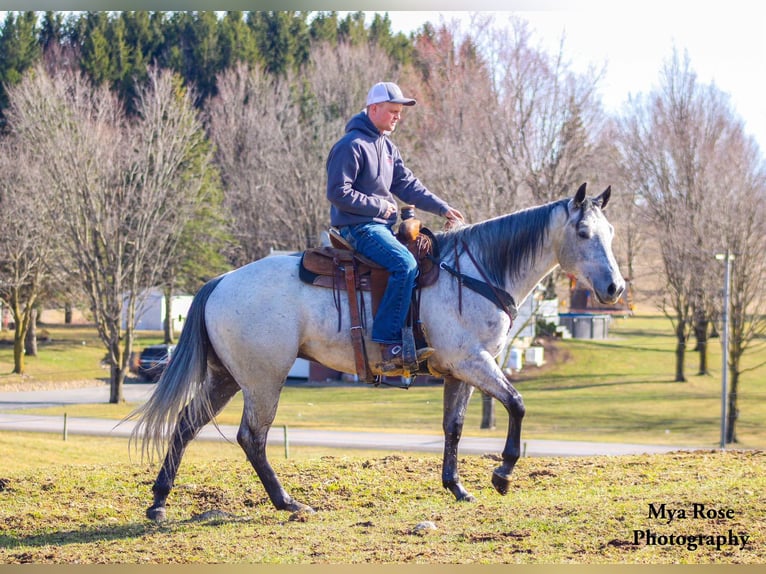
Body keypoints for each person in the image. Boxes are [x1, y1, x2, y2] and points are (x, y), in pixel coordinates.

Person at [326, 81, 465, 372]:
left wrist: (442, 207)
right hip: (359, 228)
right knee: (404, 264)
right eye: (392, 111)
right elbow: (338, 192)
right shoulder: (351, 145)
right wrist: (379, 206)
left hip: (379, 228)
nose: (397, 117)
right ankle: (389, 345)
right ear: (373, 109)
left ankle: (414, 334)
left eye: (400, 112)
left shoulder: (387, 147)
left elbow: (408, 185)